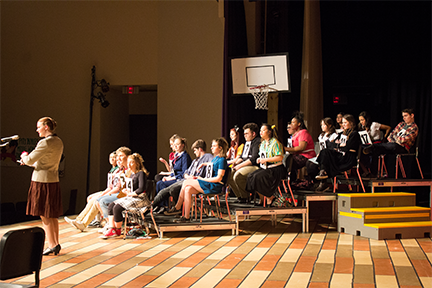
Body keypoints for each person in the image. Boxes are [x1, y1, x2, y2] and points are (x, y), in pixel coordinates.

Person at [20, 117, 64, 256]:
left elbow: (30, 159)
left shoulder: (45, 142)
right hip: (53, 179)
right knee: (52, 214)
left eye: (39, 127)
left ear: (46, 127)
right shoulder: (58, 141)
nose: (37, 129)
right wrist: (29, 162)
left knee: (44, 214)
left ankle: (51, 244)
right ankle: (55, 243)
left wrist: (24, 156)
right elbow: (44, 163)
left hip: (41, 181)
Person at [65, 147, 131, 232]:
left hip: (122, 194)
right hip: (117, 192)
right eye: (117, 157)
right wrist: (104, 193)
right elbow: (111, 186)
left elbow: (118, 188)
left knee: (98, 200)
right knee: (93, 198)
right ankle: (80, 220)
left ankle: (106, 224)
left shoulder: (127, 170)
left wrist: (106, 194)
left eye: (120, 157)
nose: (118, 159)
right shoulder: (118, 171)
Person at [165, 138, 229, 223]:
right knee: (188, 189)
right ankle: (186, 217)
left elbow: (219, 178)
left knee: (186, 182)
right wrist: (203, 164)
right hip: (208, 183)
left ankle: (177, 207)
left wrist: (203, 179)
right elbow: (212, 165)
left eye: (214, 146)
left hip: (214, 186)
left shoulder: (222, 160)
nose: (211, 148)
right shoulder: (215, 158)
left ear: (220, 148)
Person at [149, 139, 213, 214]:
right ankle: (152, 206)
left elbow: (213, 163)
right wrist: (187, 176)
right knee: (164, 188)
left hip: (194, 182)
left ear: (200, 149)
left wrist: (202, 167)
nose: (194, 153)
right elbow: (186, 172)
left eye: (195, 150)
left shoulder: (208, 156)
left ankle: (175, 209)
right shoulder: (195, 160)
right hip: (187, 180)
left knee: (172, 189)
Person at [103, 153, 149, 238]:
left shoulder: (140, 173)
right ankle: (112, 228)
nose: (129, 165)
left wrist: (130, 193)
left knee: (117, 207)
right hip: (131, 197)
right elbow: (129, 187)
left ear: (137, 163)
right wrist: (125, 190)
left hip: (140, 199)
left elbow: (141, 189)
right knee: (111, 205)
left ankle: (118, 229)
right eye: (128, 162)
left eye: (131, 162)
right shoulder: (130, 174)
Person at [363, 108, 418, 177]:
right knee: (376, 150)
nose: (404, 118)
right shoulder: (401, 124)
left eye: (406, 116)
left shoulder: (414, 127)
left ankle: (373, 146)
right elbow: (390, 136)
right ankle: (374, 173)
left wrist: (395, 138)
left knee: (392, 145)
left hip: (403, 148)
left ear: (412, 115)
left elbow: (405, 139)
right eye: (403, 116)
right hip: (392, 145)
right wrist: (396, 138)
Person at [315, 114, 361, 191]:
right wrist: (339, 145)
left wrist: (338, 145)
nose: (343, 124)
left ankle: (323, 178)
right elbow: (330, 144)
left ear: (351, 123)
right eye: (343, 123)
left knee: (326, 155)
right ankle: (323, 173)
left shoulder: (354, 134)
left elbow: (348, 147)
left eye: (345, 122)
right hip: (340, 155)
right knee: (324, 151)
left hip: (348, 158)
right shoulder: (342, 133)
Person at [246, 124, 285, 206]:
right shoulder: (263, 143)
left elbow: (280, 157)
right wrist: (259, 159)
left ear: (269, 131)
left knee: (258, 177)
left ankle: (269, 196)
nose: (261, 132)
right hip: (266, 167)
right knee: (251, 176)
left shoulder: (275, 143)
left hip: (276, 168)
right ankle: (261, 198)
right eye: (260, 131)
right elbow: (262, 156)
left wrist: (266, 160)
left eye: (263, 130)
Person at [153, 136, 192, 214]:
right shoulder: (176, 156)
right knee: (159, 182)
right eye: (175, 144)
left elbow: (184, 173)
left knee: (161, 184)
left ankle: (165, 206)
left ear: (182, 145)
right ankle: (160, 206)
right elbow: (174, 171)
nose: (176, 146)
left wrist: (171, 178)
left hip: (180, 180)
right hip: (175, 178)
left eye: (178, 144)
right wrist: (169, 176)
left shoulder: (185, 157)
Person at [227, 123, 261, 203]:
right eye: (244, 133)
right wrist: (235, 164)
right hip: (245, 165)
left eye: (247, 133)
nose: (245, 135)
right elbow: (242, 157)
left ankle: (246, 196)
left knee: (238, 175)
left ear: (253, 134)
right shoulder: (247, 143)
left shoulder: (257, 142)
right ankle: (240, 196)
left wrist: (239, 166)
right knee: (229, 174)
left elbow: (253, 159)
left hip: (255, 166)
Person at [283, 112, 316, 184]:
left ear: (299, 124)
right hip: (297, 155)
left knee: (289, 161)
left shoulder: (303, 132)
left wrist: (285, 148)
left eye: (293, 122)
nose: (291, 124)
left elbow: (301, 148)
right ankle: (290, 182)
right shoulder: (294, 135)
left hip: (306, 155)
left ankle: (290, 182)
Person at [358, 111, 391, 177]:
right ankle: (366, 171)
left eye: (362, 120)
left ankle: (375, 171)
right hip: (368, 144)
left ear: (366, 119)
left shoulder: (374, 124)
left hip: (376, 143)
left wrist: (384, 137)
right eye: (360, 120)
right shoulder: (363, 127)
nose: (361, 122)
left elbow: (388, 128)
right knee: (359, 150)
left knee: (369, 150)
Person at [306, 117, 338, 184]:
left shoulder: (334, 135)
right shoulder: (321, 136)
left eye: (324, 125)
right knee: (309, 163)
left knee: (316, 165)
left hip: (329, 156)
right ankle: (313, 181)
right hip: (322, 154)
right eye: (321, 125)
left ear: (329, 125)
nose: (322, 127)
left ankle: (322, 181)